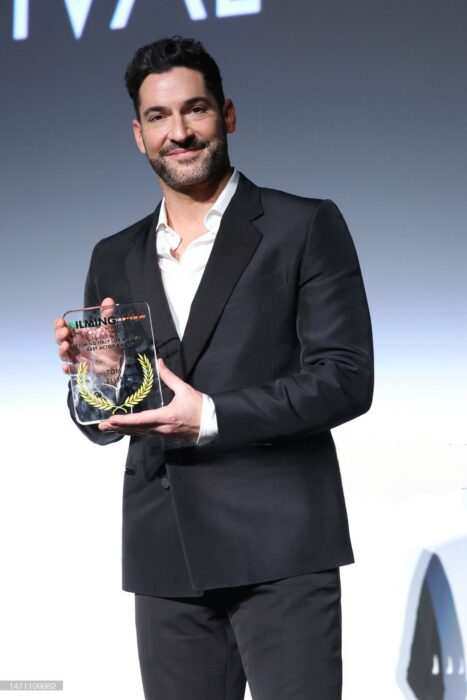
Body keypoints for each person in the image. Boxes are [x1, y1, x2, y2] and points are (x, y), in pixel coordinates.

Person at [54, 36, 373, 700]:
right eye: (158, 117)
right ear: (138, 135)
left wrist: (211, 416)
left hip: (283, 548)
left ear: (226, 115)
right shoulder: (112, 255)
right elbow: (101, 421)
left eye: (193, 110)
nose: (179, 132)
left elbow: (346, 376)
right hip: (164, 553)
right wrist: (104, 378)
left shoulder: (303, 225)